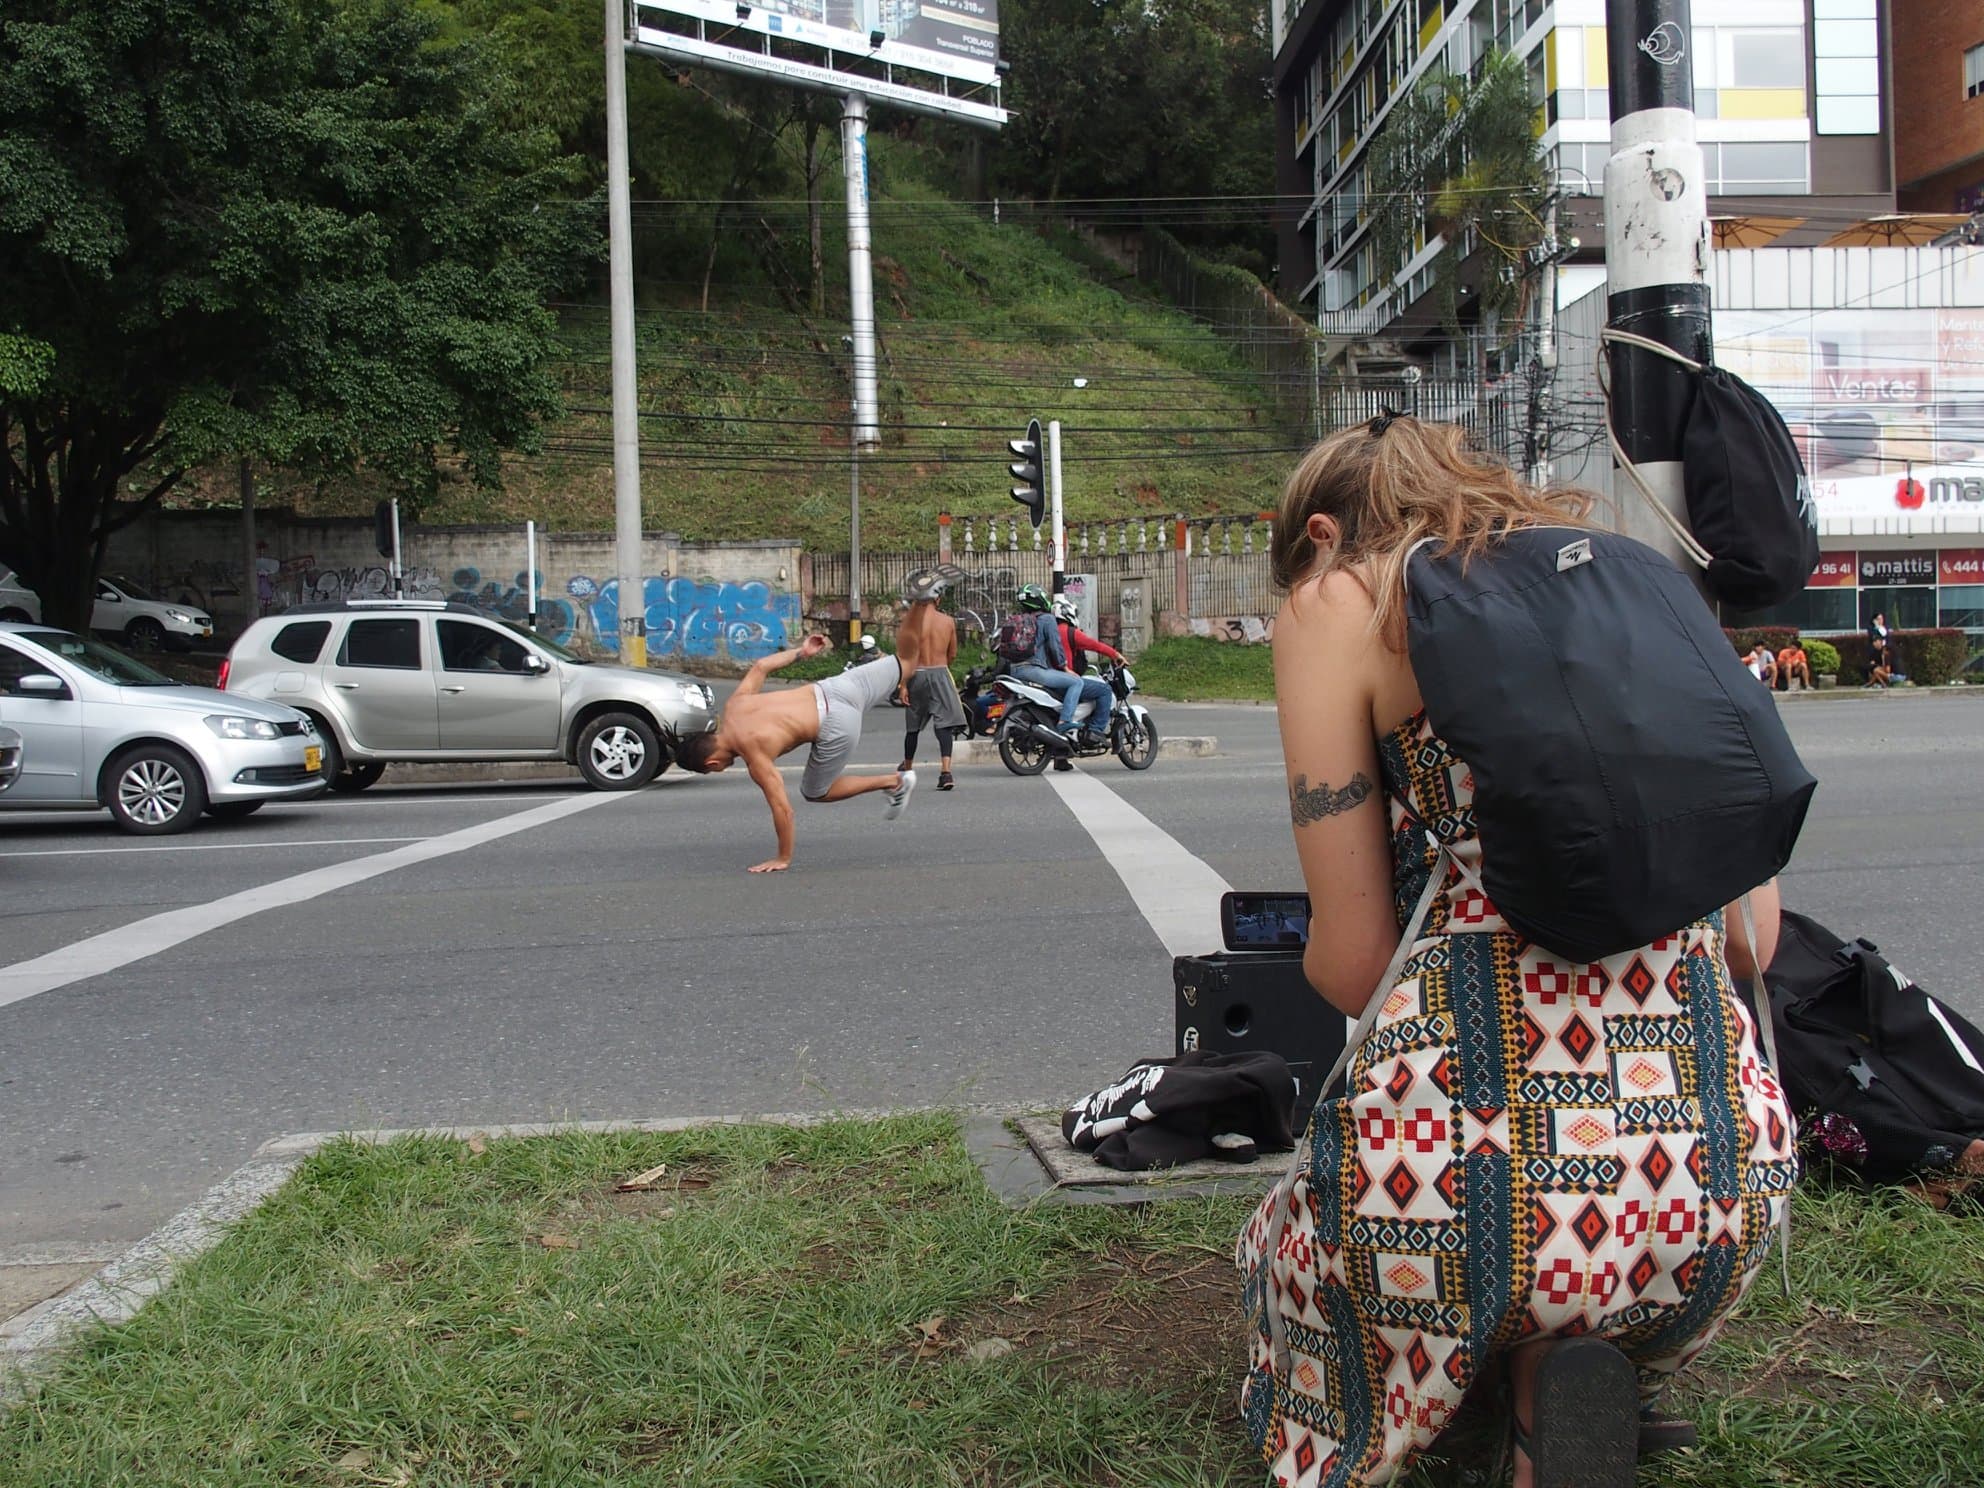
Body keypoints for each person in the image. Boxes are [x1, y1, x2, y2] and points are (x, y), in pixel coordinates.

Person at [1236, 415, 1796, 1488]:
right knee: (1571, 1217)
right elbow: (1752, 939)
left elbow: (1353, 967)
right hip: (1715, 1182)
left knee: (1288, 1248)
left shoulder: (1339, 596)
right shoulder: (1644, 578)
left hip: (1458, 1188)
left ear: (1320, 533)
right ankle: (1559, 1379)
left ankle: (1482, 1346)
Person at [675, 632, 913, 873]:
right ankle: (931, 618)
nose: (721, 769)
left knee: (815, 791)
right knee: (908, 659)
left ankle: (894, 781)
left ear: (712, 762)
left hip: (837, 724)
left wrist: (783, 857)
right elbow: (761, 667)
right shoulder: (735, 705)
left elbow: (783, 810)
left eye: (714, 770)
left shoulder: (753, 756)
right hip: (837, 687)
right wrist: (802, 652)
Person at [895, 569, 967, 791]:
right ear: (937, 597)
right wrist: (942, 670)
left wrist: (903, 685)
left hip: (917, 673)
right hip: (940, 670)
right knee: (944, 725)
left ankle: (907, 769)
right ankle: (945, 772)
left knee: (913, 727)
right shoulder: (947, 621)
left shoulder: (910, 623)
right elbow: (952, 653)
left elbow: (905, 656)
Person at [1006, 584, 1084, 743]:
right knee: (1076, 682)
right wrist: (1065, 667)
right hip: (1033, 669)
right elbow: (1056, 647)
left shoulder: (1016, 620)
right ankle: (1064, 722)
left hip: (1013, 671)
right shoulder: (1047, 619)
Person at [1052, 594, 1126, 748]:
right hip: (1066, 681)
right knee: (1104, 690)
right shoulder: (1070, 632)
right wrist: (1115, 654)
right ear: (1069, 614)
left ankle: (1062, 758)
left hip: (1048, 680)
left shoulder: (1049, 630)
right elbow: (1094, 645)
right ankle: (1095, 731)